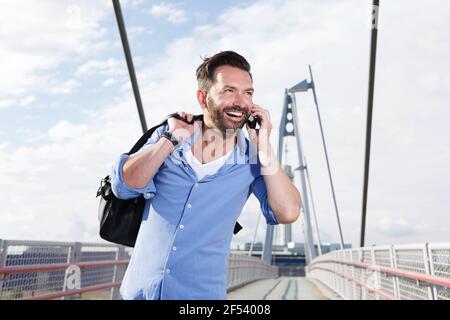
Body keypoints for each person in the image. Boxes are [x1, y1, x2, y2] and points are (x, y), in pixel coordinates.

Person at [110, 50, 301, 300]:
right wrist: (171, 139)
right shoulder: (167, 136)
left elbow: (287, 212)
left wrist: (264, 145)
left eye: (248, 93)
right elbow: (124, 185)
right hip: (140, 293)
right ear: (203, 97)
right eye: (229, 91)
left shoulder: (252, 160)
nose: (241, 102)